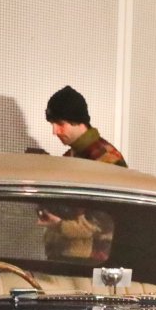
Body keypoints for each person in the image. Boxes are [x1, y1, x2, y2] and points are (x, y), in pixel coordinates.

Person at [38, 86, 124, 261]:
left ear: (78, 121)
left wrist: (60, 225)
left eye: (60, 124)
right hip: (70, 258)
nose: (54, 131)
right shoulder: (72, 157)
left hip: (89, 263)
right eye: (52, 124)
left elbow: (109, 216)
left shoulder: (105, 158)